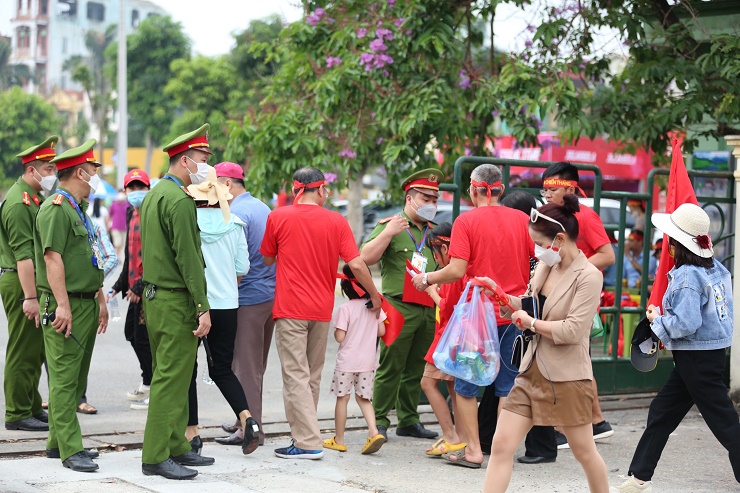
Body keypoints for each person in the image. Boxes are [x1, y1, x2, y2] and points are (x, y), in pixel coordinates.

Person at [478, 195, 609, 492]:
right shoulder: (545, 266)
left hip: (568, 377)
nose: (536, 250)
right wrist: (500, 296)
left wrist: (531, 323)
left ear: (560, 239)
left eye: (539, 242)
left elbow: (574, 330)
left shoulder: (589, 276)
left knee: (584, 452)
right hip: (531, 371)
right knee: (501, 446)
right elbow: (530, 303)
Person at [611, 203, 740, 493]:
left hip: (695, 355)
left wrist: (658, 321)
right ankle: (639, 476)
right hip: (704, 354)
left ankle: (639, 477)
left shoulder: (686, 275)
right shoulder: (714, 268)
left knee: (724, 422)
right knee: (662, 411)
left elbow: (687, 322)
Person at [411, 164, 534, 468]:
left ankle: (474, 452)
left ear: (473, 189)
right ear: (500, 189)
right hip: (512, 312)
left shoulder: (466, 221)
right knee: (507, 385)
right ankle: (502, 453)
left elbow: (456, 270)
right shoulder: (521, 219)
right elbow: (538, 260)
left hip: (478, 318)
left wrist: (426, 279)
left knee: (466, 386)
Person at [260, 166, 381, 460]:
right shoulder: (336, 221)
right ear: (321, 189)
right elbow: (356, 265)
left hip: (291, 309)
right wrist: (375, 296)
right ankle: (305, 435)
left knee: (295, 376)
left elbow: (266, 259)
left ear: (296, 187)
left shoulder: (278, 216)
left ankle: (306, 442)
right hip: (321, 310)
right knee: (311, 376)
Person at [526, 162, 616, 460]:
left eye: (552, 190)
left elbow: (607, 254)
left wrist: (574, 275)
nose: (547, 196)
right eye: (545, 190)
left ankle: (581, 425)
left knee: (574, 361)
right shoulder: (553, 219)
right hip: (553, 301)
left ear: (569, 188)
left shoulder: (584, 217)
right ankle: (594, 422)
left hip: (576, 300)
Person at [139, 124, 215, 480]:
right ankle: (155, 455)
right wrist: (203, 306)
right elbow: (188, 258)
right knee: (171, 379)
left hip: (156, 298)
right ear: (185, 161)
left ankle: (175, 445)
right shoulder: (180, 200)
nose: (206, 168)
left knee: (173, 374)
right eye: (202, 160)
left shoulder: (154, 194)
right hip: (175, 301)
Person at [35, 139, 109, 472]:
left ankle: (57, 443)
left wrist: (101, 297)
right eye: (94, 172)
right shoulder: (55, 208)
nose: (96, 178)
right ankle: (71, 449)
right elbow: (52, 259)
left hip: (86, 301)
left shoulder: (77, 209)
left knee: (74, 377)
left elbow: (90, 256)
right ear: (81, 172)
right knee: (64, 380)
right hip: (67, 306)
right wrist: (63, 306)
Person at [361, 168, 443, 441]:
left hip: (429, 308)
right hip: (399, 307)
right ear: (410, 198)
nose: (432, 204)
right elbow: (364, 258)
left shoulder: (434, 232)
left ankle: (408, 420)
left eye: (435, 199)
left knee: (417, 368)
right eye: (426, 198)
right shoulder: (390, 226)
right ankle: (380, 420)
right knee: (390, 366)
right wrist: (387, 234)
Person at [185, 166, 260, 456]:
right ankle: (247, 418)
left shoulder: (190, 221)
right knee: (222, 368)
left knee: (187, 369)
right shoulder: (236, 223)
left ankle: (192, 434)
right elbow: (243, 268)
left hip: (197, 305)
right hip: (228, 305)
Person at [212, 162, 276, 447]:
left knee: (245, 368)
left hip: (247, 297)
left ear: (227, 184)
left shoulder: (234, 213)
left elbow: (235, 266)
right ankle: (243, 419)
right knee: (255, 366)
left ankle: (252, 431)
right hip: (269, 295)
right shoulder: (262, 207)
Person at [0, 136, 58, 433]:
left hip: (29, 281)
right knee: (23, 349)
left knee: (35, 350)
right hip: (20, 281)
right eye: (48, 169)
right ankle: (17, 412)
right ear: (31, 170)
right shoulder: (19, 203)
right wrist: (30, 297)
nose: (52, 175)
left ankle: (32, 406)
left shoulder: (34, 198)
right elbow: (23, 256)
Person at [475, 190, 539, 454]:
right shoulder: (529, 241)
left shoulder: (531, 243)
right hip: (518, 312)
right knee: (506, 382)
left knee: (508, 382)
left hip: (520, 315)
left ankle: (522, 444)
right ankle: (494, 440)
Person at [323, 264, 387, 455]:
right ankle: (374, 432)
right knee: (364, 399)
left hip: (347, 363)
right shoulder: (374, 307)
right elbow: (382, 331)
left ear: (346, 288)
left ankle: (339, 440)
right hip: (367, 363)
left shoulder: (345, 309)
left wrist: (337, 330)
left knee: (342, 399)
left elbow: (340, 337)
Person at [417, 222, 468, 458]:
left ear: (445, 250)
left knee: (428, 383)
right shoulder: (459, 270)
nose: (436, 258)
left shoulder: (453, 274)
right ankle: (460, 437)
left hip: (448, 337)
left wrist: (430, 291)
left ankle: (451, 436)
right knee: (454, 388)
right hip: (453, 337)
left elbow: (447, 308)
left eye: (435, 253)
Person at [110, 170, 152, 410]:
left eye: (141, 187)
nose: (136, 192)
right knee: (132, 333)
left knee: (143, 338)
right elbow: (130, 253)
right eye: (132, 188)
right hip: (135, 285)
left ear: (148, 189)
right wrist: (120, 284)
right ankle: (148, 381)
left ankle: (153, 385)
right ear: (125, 191)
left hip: (147, 287)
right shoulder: (130, 212)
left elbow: (155, 254)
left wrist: (139, 285)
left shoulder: (151, 213)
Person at [75, 209, 118, 416]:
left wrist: (95, 284)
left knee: (81, 352)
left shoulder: (91, 224)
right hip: (58, 297)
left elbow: (110, 258)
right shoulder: (54, 214)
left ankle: (78, 397)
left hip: (87, 296)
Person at [108, 191, 129, 257]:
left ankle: (121, 257)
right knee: (117, 243)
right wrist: (108, 224)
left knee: (123, 244)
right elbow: (110, 215)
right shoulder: (114, 205)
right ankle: (116, 257)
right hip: (115, 227)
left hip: (125, 227)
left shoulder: (127, 205)